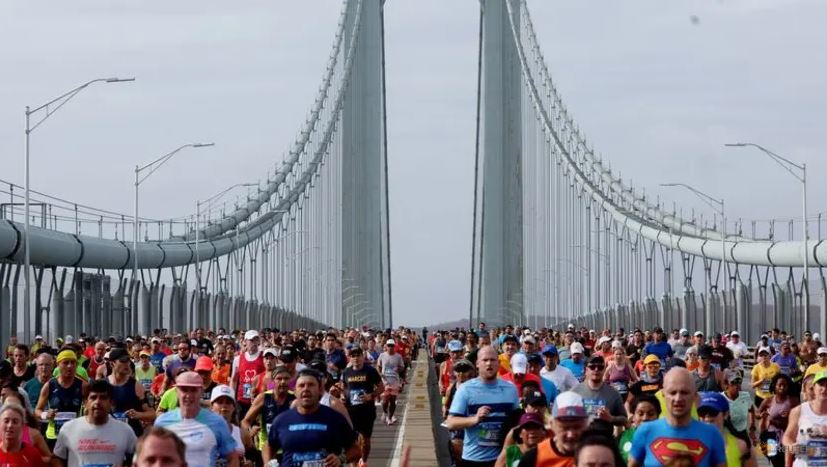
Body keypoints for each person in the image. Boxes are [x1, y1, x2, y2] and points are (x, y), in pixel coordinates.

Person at [628, 367, 726, 467]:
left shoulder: (712, 434)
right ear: (663, 394)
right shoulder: (645, 432)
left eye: (684, 392)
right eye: (673, 392)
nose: (678, 398)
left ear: (695, 396)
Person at [266, 369, 360, 467]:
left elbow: (356, 450)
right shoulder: (282, 420)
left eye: (311, 385)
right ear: (295, 391)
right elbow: (269, 445)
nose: (306, 389)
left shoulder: (335, 418)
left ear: (320, 390)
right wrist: (268, 463)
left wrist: (341, 459)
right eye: (301, 385)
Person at [447, 346, 520, 467]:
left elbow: (517, 422)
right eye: (485, 360)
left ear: (499, 363)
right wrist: (474, 419)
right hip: (474, 459)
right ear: (477, 364)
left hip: (503, 458)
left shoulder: (510, 389)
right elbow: (450, 422)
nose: (489, 364)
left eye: (492, 360)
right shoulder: (465, 389)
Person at [154, 371, 240, 467]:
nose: (189, 395)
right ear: (177, 391)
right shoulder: (162, 422)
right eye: (184, 390)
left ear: (201, 392)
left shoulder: (217, 423)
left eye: (194, 390)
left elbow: (232, 458)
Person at [52, 379, 138, 467]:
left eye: (103, 398)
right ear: (85, 402)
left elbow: (139, 457)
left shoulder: (125, 430)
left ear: (111, 403)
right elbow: (56, 458)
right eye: (93, 397)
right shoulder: (68, 428)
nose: (98, 402)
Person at [517, 391, 590, 467]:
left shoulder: (598, 455)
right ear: (552, 425)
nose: (570, 435)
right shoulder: (534, 457)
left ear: (587, 425)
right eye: (564, 428)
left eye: (577, 427)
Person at [35, 349, 88, 448]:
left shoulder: (83, 385)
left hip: (75, 435)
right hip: (54, 437)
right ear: (58, 365)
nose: (70, 366)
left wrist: (87, 410)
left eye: (73, 363)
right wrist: (46, 414)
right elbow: (37, 410)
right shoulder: (49, 385)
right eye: (66, 363)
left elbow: (89, 407)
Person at [242, 366, 296, 463]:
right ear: (272, 381)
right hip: (266, 451)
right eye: (279, 379)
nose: (283, 382)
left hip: (288, 451)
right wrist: (250, 432)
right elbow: (245, 421)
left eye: (286, 378)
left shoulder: (295, 398)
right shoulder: (263, 397)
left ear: (290, 380)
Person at [342, 346, 383, 465]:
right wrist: (343, 396)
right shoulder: (346, 372)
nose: (356, 358)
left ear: (362, 356)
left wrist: (370, 396)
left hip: (367, 411)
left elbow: (381, 388)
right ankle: (354, 463)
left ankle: (363, 460)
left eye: (358, 355)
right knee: (352, 442)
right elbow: (344, 388)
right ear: (350, 358)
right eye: (353, 356)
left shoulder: (370, 370)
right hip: (351, 411)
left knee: (365, 441)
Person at [571, 355, 627, 436]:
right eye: (592, 367)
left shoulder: (613, 393)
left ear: (604, 370)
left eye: (600, 367)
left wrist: (611, 418)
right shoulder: (575, 392)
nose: (596, 369)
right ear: (586, 370)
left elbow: (624, 420)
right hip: (581, 441)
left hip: (604, 441)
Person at [697, 391, 756, 467]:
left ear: (725, 414)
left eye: (713, 412)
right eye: (702, 413)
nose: (707, 418)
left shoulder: (741, 446)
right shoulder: (689, 444)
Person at [108, 347, 155, 436]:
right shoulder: (102, 384)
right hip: (109, 436)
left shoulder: (136, 386)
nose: (127, 364)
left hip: (132, 435)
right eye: (123, 361)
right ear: (112, 363)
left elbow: (152, 414)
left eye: (128, 360)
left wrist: (137, 415)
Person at [757, 373, 797, 467]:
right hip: (771, 436)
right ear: (774, 386)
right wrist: (762, 415)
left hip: (787, 436)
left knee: (787, 462)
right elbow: (757, 413)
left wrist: (790, 414)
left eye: (785, 385)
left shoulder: (793, 401)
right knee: (775, 461)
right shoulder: (768, 400)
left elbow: (798, 418)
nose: (782, 387)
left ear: (788, 387)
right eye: (780, 385)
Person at [209, 384, 249, 465]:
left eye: (228, 402)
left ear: (234, 407)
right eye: (220, 402)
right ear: (211, 406)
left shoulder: (242, 434)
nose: (224, 405)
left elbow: (250, 457)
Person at [231, 330, 265, 419]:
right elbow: (234, 380)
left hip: (258, 400)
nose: (253, 343)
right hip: (241, 400)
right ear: (245, 341)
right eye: (251, 340)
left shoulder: (264, 357)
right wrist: (232, 397)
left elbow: (269, 377)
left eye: (256, 340)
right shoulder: (238, 359)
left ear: (259, 341)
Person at [618, 395, 660, 464]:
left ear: (658, 416)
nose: (645, 418)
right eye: (640, 414)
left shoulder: (666, 437)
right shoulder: (622, 438)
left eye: (651, 414)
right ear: (633, 416)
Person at [377, 338, 406, 425]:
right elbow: (378, 366)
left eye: (392, 346)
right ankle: (385, 413)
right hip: (385, 381)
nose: (390, 347)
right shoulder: (382, 355)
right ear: (386, 346)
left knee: (393, 400)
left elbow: (402, 367)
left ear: (394, 346)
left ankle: (390, 417)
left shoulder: (398, 356)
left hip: (394, 381)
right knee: (385, 400)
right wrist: (380, 374)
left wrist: (398, 369)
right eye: (389, 345)